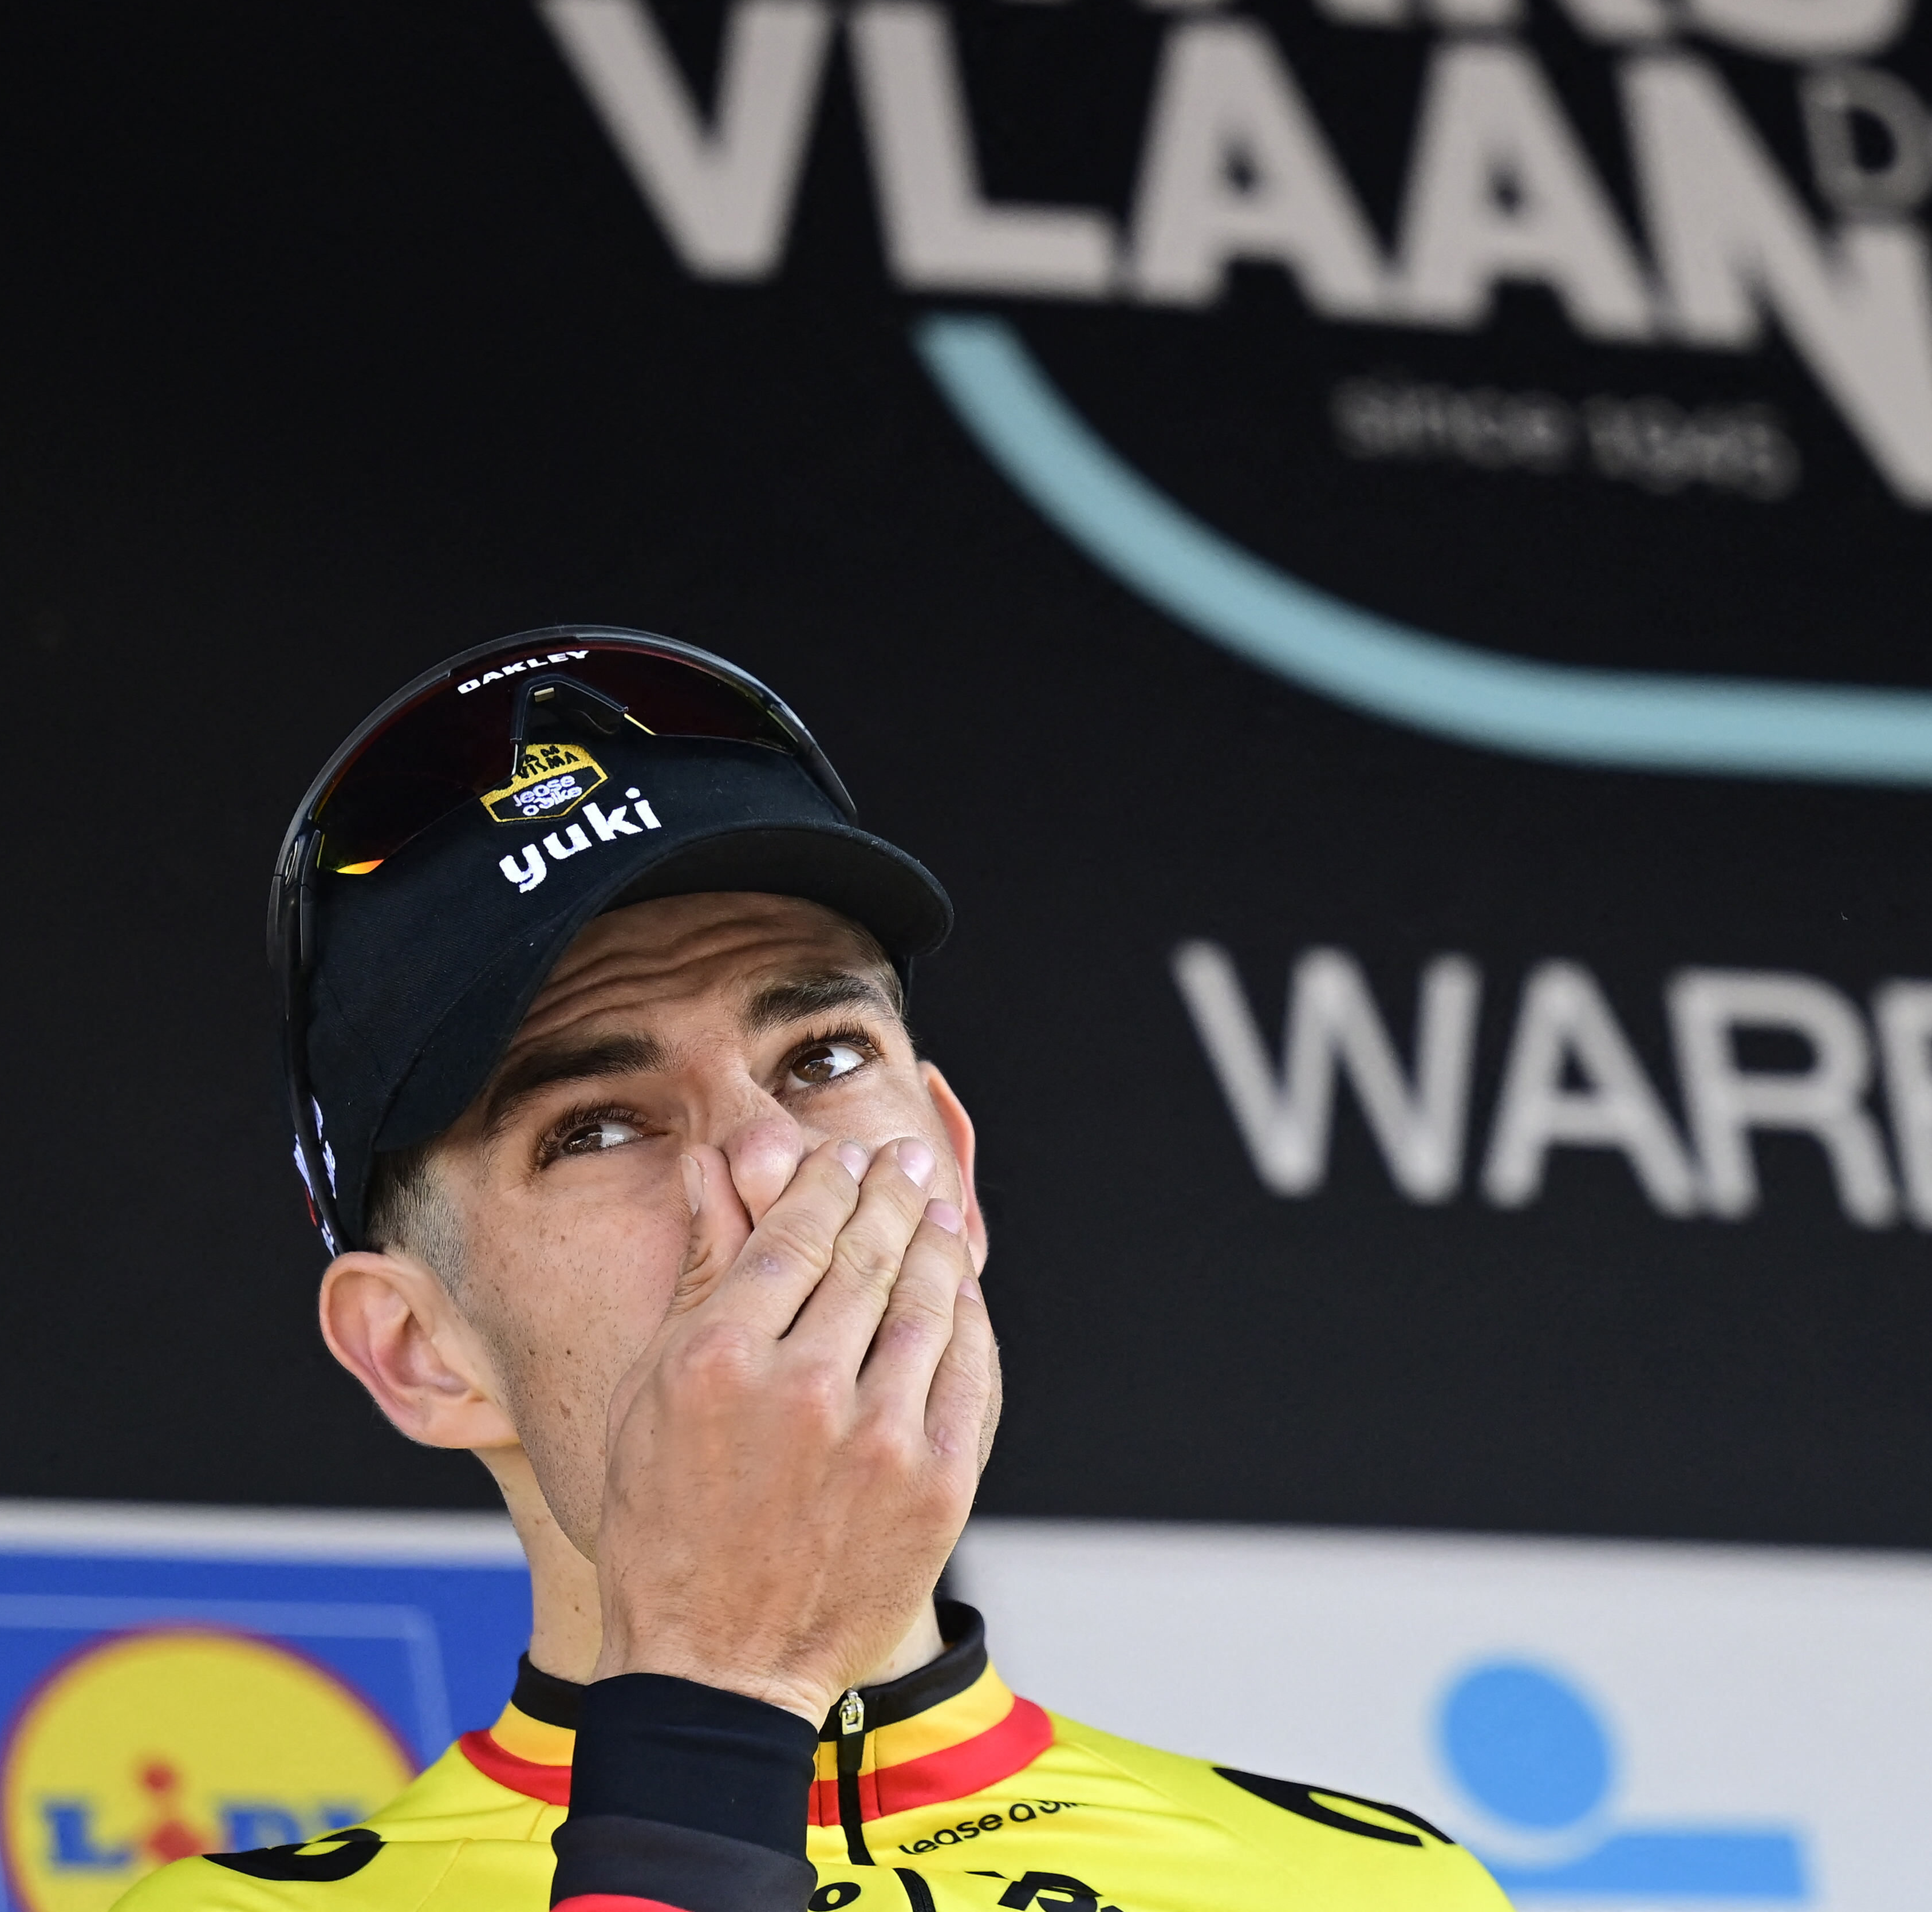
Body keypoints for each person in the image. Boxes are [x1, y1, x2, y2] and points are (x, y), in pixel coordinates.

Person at [127, 628, 1507, 1912]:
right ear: (417, 1351)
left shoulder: (1378, 1888)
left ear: (953, 1176)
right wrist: (716, 1695)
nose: (774, 1167)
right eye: (597, 1125)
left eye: (825, 1060)